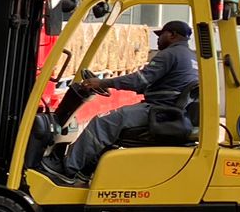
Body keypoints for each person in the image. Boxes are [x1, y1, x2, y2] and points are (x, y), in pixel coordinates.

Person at [42, 20, 199, 186]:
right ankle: (85, 173)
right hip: (169, 110)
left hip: (158, 110)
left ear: (172, 35)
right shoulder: (189, 56)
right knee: (110, 127)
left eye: (161, 36)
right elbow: (154, 84)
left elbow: (139, 80)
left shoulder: (170, 54)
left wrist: (101, 83)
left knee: (101, 123)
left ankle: (67, 168)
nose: (158, 40)